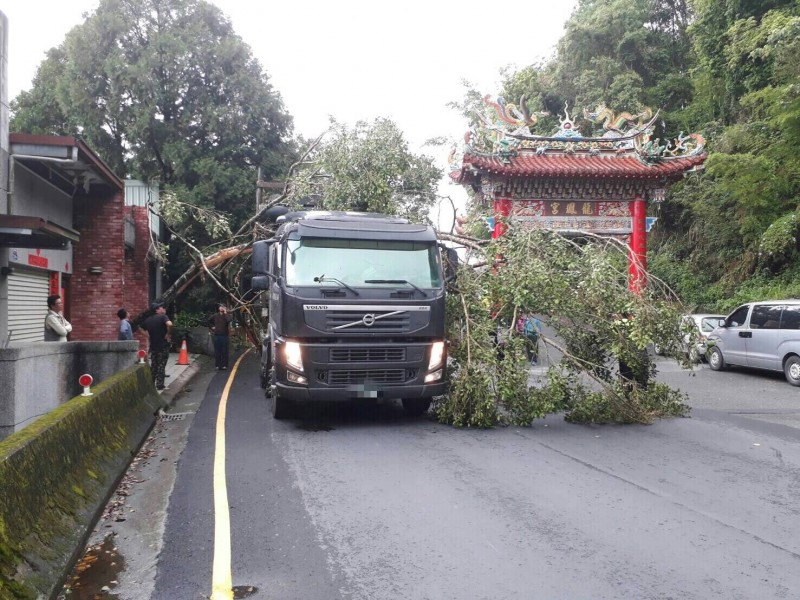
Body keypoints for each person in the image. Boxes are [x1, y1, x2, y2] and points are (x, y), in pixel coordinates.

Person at [141, 302, 173, 390]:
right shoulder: (163, 317)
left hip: (153, 346)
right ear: (156, 310)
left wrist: (148, 336)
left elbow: (141, 328)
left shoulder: (147, 320)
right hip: (163, 346)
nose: (161, 309)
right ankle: (160, 385)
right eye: (159, 308)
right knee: (161, 365)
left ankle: (150, 384)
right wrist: (168, 333)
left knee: (154, 366)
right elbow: (170, 324)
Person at [208, 304, 232, 370]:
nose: (221, 308)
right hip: (217, 336)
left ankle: (224, 365)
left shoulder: (226, 316)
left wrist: (225, 312)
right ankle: (218, 365)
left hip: (225, 336)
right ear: (219, 308)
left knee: (225, 351)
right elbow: (208, 321)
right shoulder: (215, 316)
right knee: (217, 351)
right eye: (221, 307)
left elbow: (229, 320)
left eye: (223, 307)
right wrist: (212, 327)